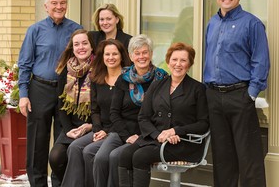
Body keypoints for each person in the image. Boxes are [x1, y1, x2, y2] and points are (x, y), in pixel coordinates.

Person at [203, 0, 270, 187]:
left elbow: (261, 61)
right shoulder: (212, 23)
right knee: (222, 158)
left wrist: (250, 94)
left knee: (248, 157)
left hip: (240, 96)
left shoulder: (252, 24)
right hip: (214, 97)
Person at [118, 42, 209, 187]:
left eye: (183, 60)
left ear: (189, 64)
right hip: (157, 139)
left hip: (183, 143)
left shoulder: (198, 89)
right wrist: (156, 134)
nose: (178, 64)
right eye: (174, 59)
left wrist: (175, 131)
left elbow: (203, 123)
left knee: (140, 156)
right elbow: (143, 117)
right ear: (168, 61)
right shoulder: (157, 85)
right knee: (124, 155)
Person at [17, 0, 83, 187]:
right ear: (46, 7)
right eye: (54, 3)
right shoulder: (35, 30)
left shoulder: (76, 29)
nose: (59, 7)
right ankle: (37, 184)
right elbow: (25, 64)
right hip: (40, 89)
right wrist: (23, 94)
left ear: (67, 5)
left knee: (64, 141)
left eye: (62, 3)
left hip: (67, 92)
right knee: (38, 141)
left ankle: (60, 183)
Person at [92, 34, 167, 187]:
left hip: (146, 133)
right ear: (131, 56)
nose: (141, 56)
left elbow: (162, 112)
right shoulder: (124, 78)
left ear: (151, 54)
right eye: (137, 53)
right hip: (122, 131)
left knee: (115, 157)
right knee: (100, 158)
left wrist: (142, 135)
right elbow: (114, 112)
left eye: (145, 52)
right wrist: (126, 136)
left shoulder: (161, 78)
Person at [61, 38, 131, 187]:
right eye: (107, 54)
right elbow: (95, 110)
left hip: (118, 130)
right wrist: (98, 129)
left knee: (89, 152)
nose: (111, 58)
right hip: (100, 129)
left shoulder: (127, 79)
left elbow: (127, 114)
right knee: (74, 147)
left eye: (115, 54)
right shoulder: (97, 78)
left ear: (121, 56)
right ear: (102, 56)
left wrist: (105, 131)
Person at [48, 29, 95, 183]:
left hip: (93, 126)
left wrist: (91, 125)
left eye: (84, 43)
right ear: (72, 48)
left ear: (91, 46)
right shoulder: (65, 71)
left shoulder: (99, 70)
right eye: (77, 44)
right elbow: (61, 105)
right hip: (71, 127)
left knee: (81, 155)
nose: (81, 47)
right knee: (56, 157)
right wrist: (69, 130)